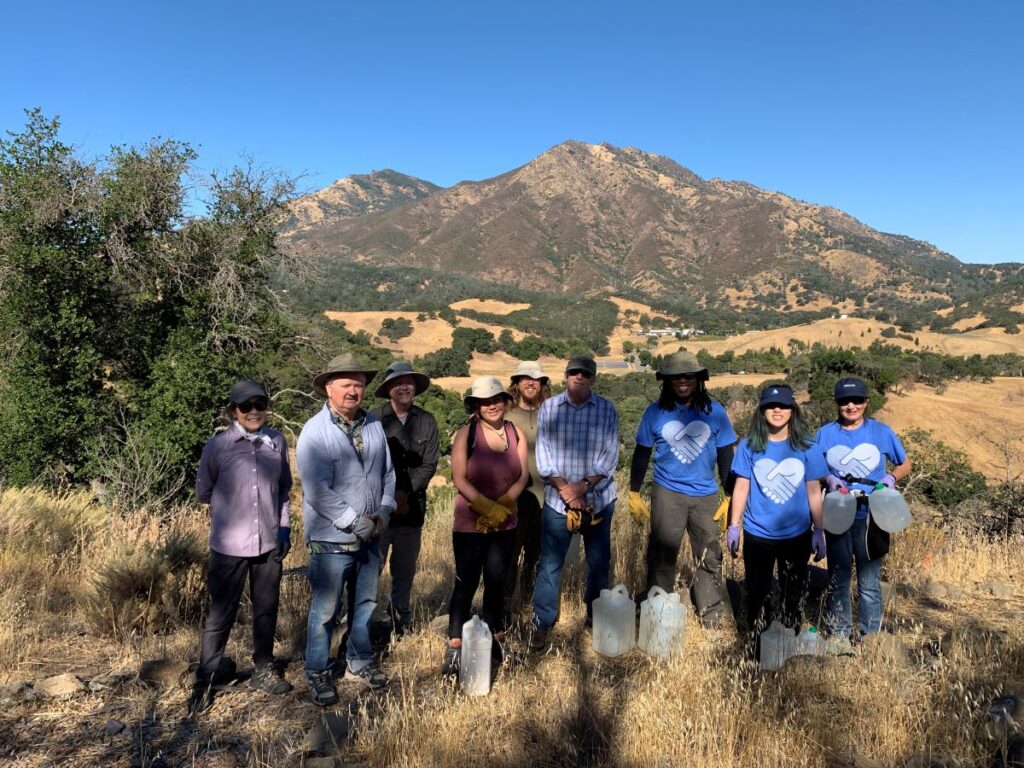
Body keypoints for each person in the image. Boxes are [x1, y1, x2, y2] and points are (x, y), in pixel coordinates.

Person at [188, 380, 293, 717]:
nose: (253, 412)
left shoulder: (276, 442)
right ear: (233, 410)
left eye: (259, 404)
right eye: (245, 406)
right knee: (220, 616)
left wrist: (285, 529)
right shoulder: (218, 446)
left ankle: (263, 669)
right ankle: (204, 682)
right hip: (228, 546)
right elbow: (203, 491)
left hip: (267, 543)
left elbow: (283, 491)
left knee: (266, 609)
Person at [297, 352, 397, 706]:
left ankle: (358, 659)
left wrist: (384, 512)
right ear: (328, 387)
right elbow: (317, 491)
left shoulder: (372, 425)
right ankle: (318, 670)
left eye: (358, 384)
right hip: (332, 538)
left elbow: (387, 473)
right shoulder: (315, 431)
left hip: (372, 533)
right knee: (325, 609)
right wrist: (357, 523)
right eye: (345, 384)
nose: (353, 390)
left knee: (366, 602)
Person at [628, 351, 737, 628]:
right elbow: (642, 453)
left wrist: (729, 494)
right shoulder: (655, 412)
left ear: (699, 379)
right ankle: (659, 609)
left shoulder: (715, 412)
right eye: (676, 377)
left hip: (706, 495)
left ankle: (711, 614)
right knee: (662, 555)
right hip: (667, 493)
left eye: (688, 376)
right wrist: (634, 491)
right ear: (667, 381)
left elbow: (726, 455)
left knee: (710, 555)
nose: (682, 381)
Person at [816, 377, 912, 652]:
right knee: (838, 579)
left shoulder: (882, 432)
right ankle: (839, 635)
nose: (851, 406)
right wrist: (829, 479)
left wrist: (892, 478)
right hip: (838, 512)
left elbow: (905, 463)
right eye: (845, 401)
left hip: (873, 514)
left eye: (857, 400)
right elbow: (812, 467)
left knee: (869, 581)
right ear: (837, 404)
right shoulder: (824, 434)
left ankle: (871, 638)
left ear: (866, 402)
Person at [727, 384, 827, 647]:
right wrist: (734, 525)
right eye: (771, 406)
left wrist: (819, 530)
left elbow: (814, 491)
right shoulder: (749, 446)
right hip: (758, 534)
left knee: (792, 594)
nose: (777, 410)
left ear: (793, 410)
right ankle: (754, 641)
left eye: (783, 405)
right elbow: (741, 487)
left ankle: (789, 641)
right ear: (761, 411)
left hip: (796, 535)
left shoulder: (807, 447)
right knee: (756, 593)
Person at [532, 355, 619, 651]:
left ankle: (595, 619)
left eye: (585, 373)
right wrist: (566, 491)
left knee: (598, 563)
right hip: (559, 502)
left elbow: (609, 458)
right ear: (565, 375)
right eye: (574, 372)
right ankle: (543, 621)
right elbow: (544, 457)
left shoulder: (607, 409)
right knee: (550, 564)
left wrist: (581, 488)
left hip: (599, 500)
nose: (579, 377)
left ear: (593, 379)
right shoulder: (550, 408)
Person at [444, 376, 529, 674]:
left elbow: (522, 476)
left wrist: (504, 504)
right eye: (485, 402)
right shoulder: (465, 434)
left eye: (496, 400)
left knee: (496, 581)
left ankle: (494, 640)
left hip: (505, 523)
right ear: (477, 407)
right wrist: (484, 506)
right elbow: (459, 478)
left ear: (505, 402)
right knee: (465, 583)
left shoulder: (515, 432)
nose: (492, 406)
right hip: (470, 523)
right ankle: (455, 644)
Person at [371, 361, 440, 636]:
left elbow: (430, 464)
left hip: (412, 510)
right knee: (370, 570)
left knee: (405, 571)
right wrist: (391, 496)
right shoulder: (372, 419)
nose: (404, 387)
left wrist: (405, 493)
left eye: (409, 382)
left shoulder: (427, 421)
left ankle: (401, 623)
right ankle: (358, 624)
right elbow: (366, 465)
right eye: (398, 382)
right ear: (388, 388)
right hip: (377, 511)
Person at [503, 360, 551, 615]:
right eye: (525, 378)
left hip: (548, 497)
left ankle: (526, 606)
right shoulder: (507, 414)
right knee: (510, 554)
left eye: (536, 379)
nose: (530, 383)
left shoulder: (552, 412)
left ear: (543, 384)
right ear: (517, 383)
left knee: (536, 557)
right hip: (515, 498)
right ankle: (505, 606)